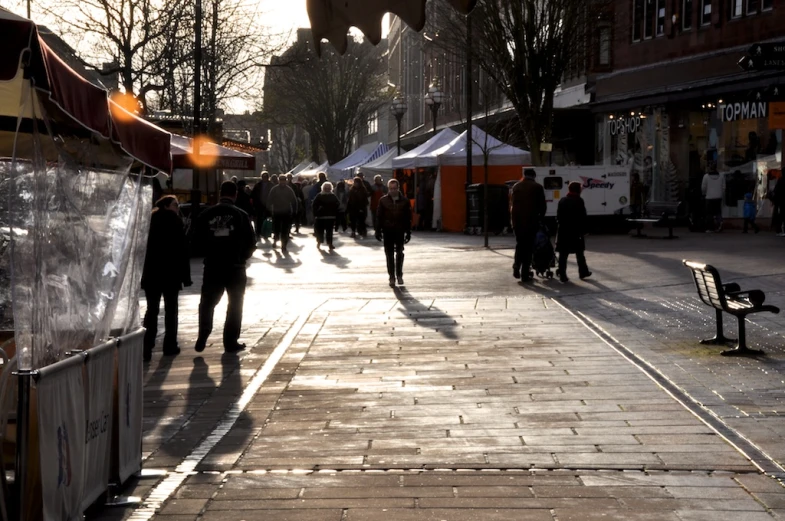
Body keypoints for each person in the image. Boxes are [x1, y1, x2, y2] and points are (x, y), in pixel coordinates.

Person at [192, 182, 256, 353]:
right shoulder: (241, 215)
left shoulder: (206, 214)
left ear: (220, 193)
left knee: (207, 302)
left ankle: (204, 331)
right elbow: (251, 242)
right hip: (235, 267)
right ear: (235, 194)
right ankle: (230, 341)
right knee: (235, 303)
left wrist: (209, 253)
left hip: (213, 265)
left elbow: (195, 239)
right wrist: (241, 258)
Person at [141, 195, 192, 362]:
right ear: (167, 206)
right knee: (171, 310)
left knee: (152, 310)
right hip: (170, 274)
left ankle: (147, 347)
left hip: (152, 274)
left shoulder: (148, 221)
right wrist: (186, 277)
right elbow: (182, 250)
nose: (178, 207)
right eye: (175, 205)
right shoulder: (175, 221)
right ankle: (170, 345)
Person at [510, 168, 546, 281]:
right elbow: (542, 206)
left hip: (517, 221)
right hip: (531, 221)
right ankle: (525, 273)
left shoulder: (516, 186)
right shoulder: (538, 187)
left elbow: (512, 203)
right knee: (529, 247)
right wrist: (541, 218)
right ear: (534, 176)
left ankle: (516, 265)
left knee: (520, 244)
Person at [376, 179, 412, 287]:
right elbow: (379, 216)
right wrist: (378, 230)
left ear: (398, 188)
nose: (393, 190)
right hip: (388, 230)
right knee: (389, 254)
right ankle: (391, 276)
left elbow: (408, 217)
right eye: (391, 188)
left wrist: (408, 232)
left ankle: (399, 275)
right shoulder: (383, 201)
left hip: (400, 230)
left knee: (400, 253)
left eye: (395, 188)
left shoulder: (405, 201)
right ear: (388, 189)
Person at [555, 182, 591, 283]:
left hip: (563, 231)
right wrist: (584, 230)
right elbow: (583, 217)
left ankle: (562, 275)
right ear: (578, 190)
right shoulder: (579, 201)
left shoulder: (562, 200)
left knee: (563, 255)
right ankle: (583, 272)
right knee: (579, 253)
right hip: (576, 231)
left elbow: (558, 217)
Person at [267, 174, 299, 252]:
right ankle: (275, 240)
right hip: (277, 212)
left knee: (286, 229)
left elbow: (294, 201)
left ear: (286, 180)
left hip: (286, 212)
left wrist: (295, 211)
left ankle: (284, 245)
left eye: (284, 180)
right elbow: (269, 200)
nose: (282, 182)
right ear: (279, 180)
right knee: (276, 228)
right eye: (281, 180)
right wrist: (268, 211)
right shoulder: (274, 189)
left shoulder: (289, 190)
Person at [312, 182, 340, 250]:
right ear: (323, 188)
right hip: (320, 217)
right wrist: (317, 211)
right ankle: (319, 242)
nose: (327, 189)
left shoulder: (333, 196)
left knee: (329, 231)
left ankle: (330, 244)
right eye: (326, 188)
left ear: (331, 188)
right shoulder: (319, 195)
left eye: (328, 188)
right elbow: (314, 205)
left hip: (330, 217)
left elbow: (337, 204)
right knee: (320, 231)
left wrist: (333, 209)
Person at [701, 163, 725, 233]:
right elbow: (724, 187)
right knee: (718, 212)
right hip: (718, 197)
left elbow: (703, 188)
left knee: (709, 213)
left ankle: (710, 228)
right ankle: (719, 223)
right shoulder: (721, 176)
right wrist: (721, 194)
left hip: (709, 197)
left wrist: (704, 194)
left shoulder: (706, 177)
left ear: (709, 168)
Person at [250, 171, 272, 238]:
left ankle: (265, 232)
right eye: (263, 176)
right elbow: (253, 195)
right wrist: (253, 204)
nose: (264, 178)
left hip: (267, 204)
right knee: (259, 219)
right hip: (259, 205)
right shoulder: (258, 185)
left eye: (266, 176)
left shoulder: (271, 185)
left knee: (266, 219)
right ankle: (258, 232)